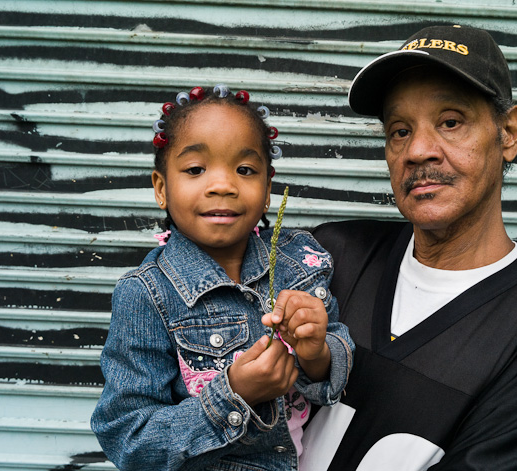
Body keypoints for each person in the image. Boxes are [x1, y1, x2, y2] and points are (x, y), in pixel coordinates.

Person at [302, 25, 517, 471]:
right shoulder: (332, 256)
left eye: (451, 122)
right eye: (399, 130)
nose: (419, 150)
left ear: (510, 133)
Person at [90, 85, 354, 471]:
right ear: (161, 188)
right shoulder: (146, 294)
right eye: (196, 169)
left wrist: (318, 354)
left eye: (245, 170)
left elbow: (335, 358)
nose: (222, 185)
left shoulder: (299, 262)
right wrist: (236, 395)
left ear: (267, 191)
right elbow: (128, 437)